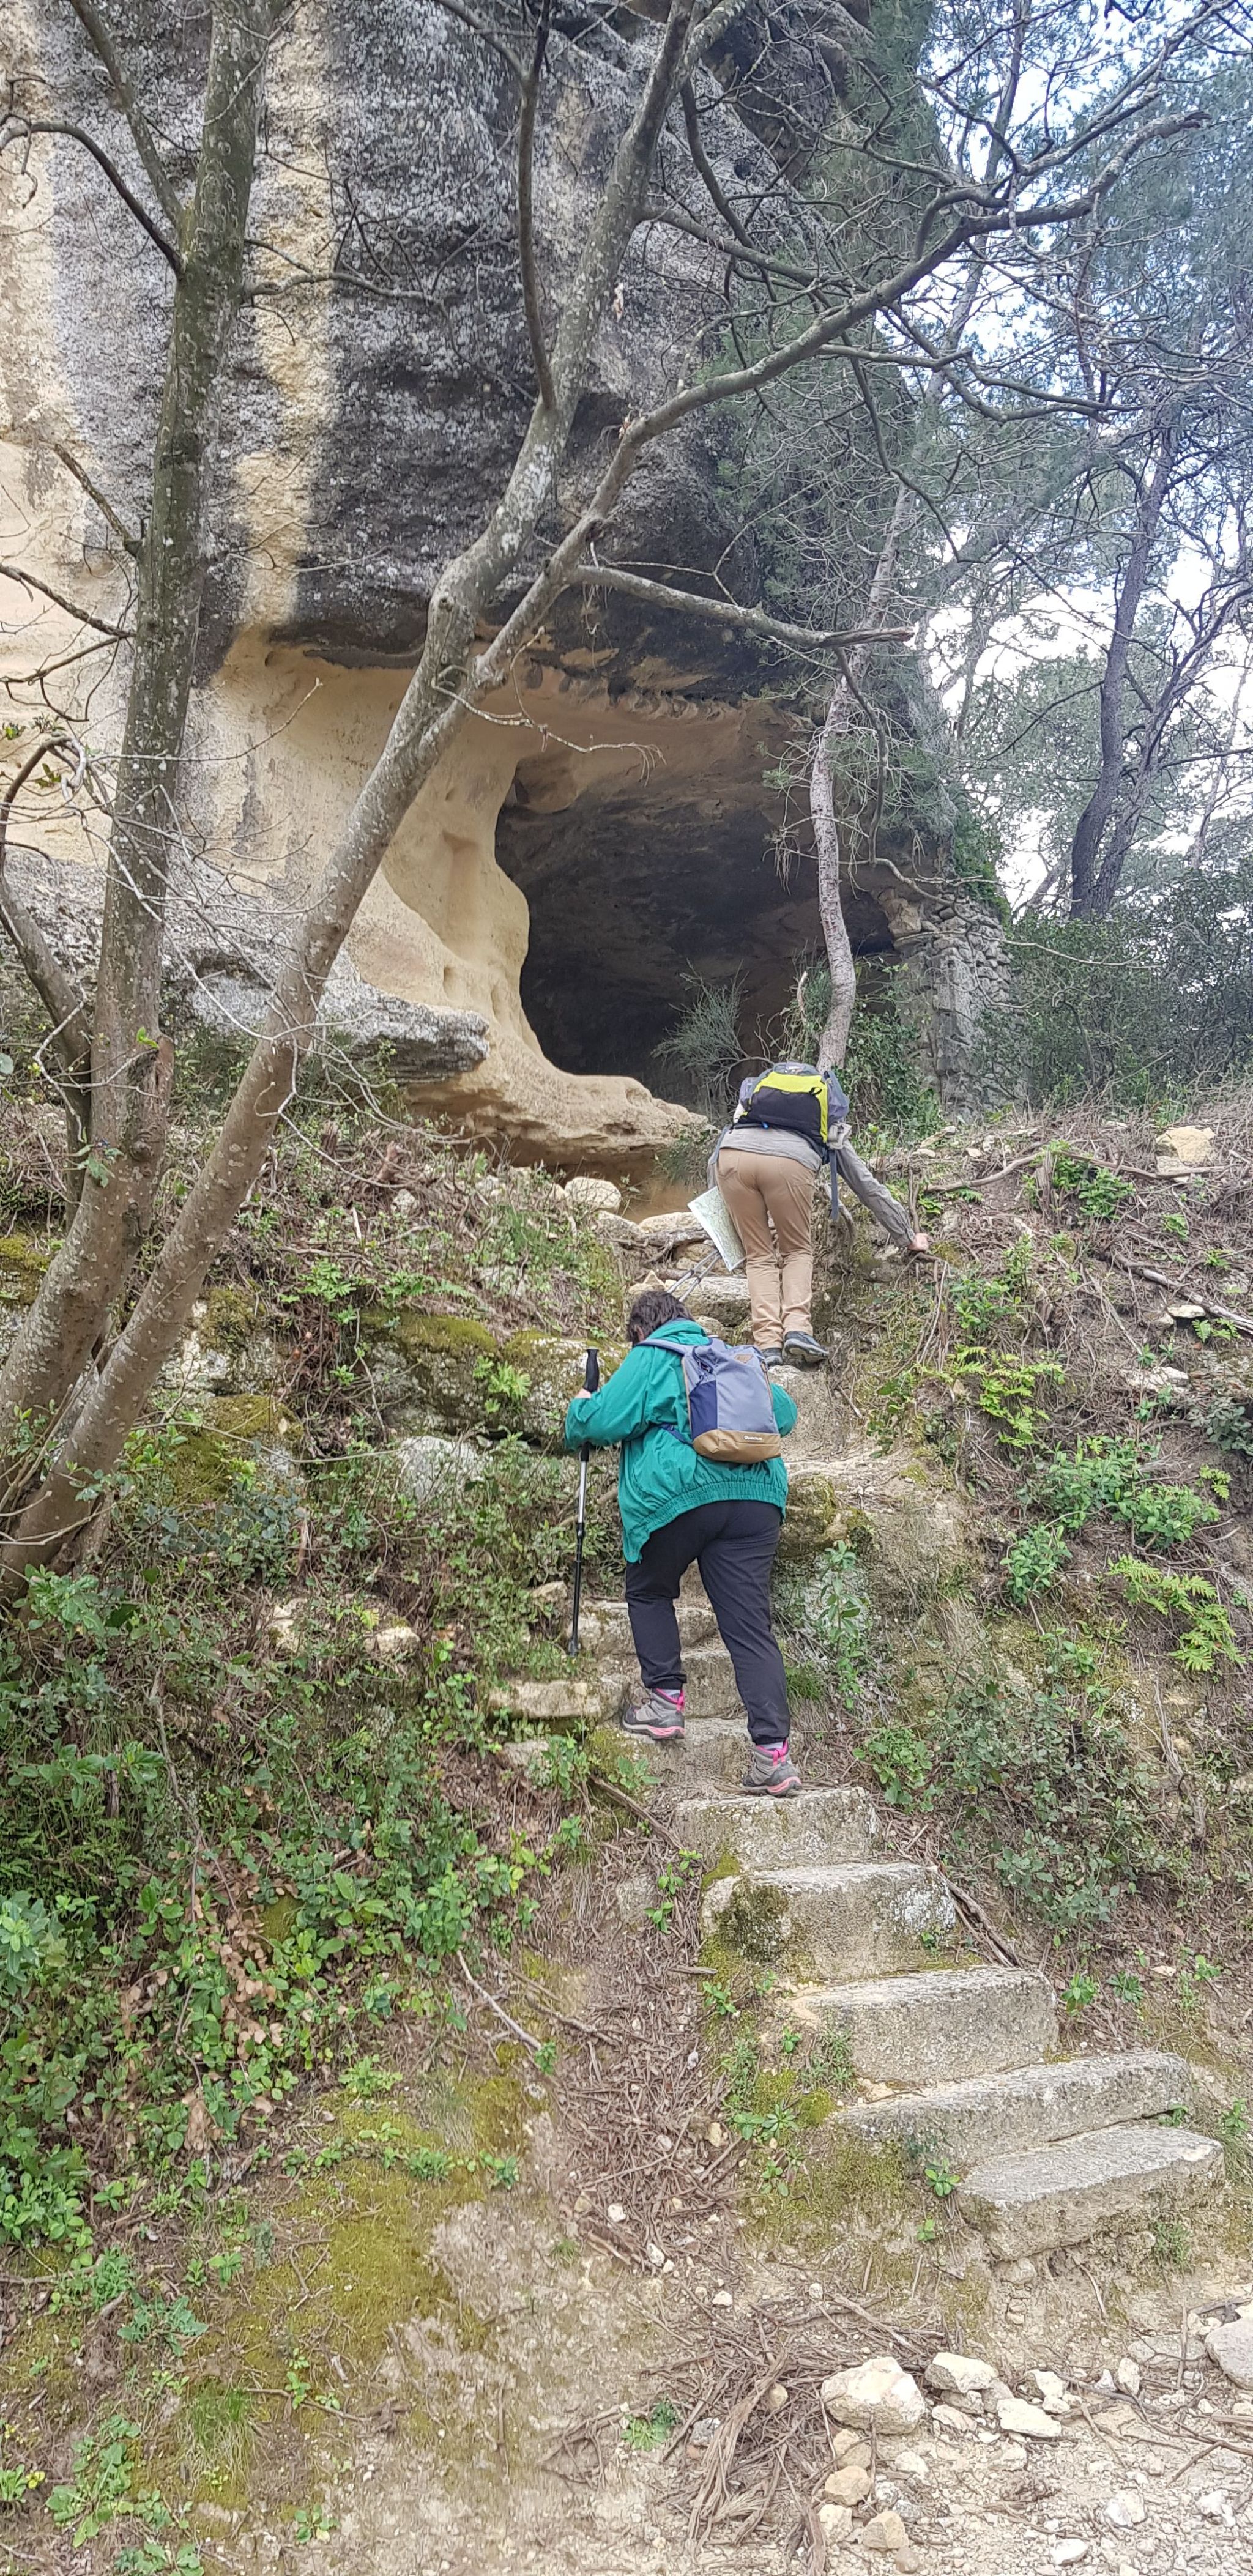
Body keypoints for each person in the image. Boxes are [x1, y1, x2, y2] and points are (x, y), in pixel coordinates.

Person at [563, 1288, 804, 1796]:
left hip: (680, 1495)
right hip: (756, 1499)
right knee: (749, 1627)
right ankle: (773, 1756)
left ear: (640, 1330)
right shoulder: (733, 1355)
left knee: (649, 1588)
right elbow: (784, 1414)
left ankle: (665, 1701)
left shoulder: (651, 1355)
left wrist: (579, 1409)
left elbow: (602, 1420)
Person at [711, 1060, 930, 1368]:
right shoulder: (826, 1116)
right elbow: (865, 1185)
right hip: (789, 1164)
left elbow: (722, 1148)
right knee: (797, 1250)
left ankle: (768, 1345)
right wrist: (907, 1236)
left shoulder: (752, 1107)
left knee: (758, 1256)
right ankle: (797, 1329)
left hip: (732, 1158)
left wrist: (720, 1223)